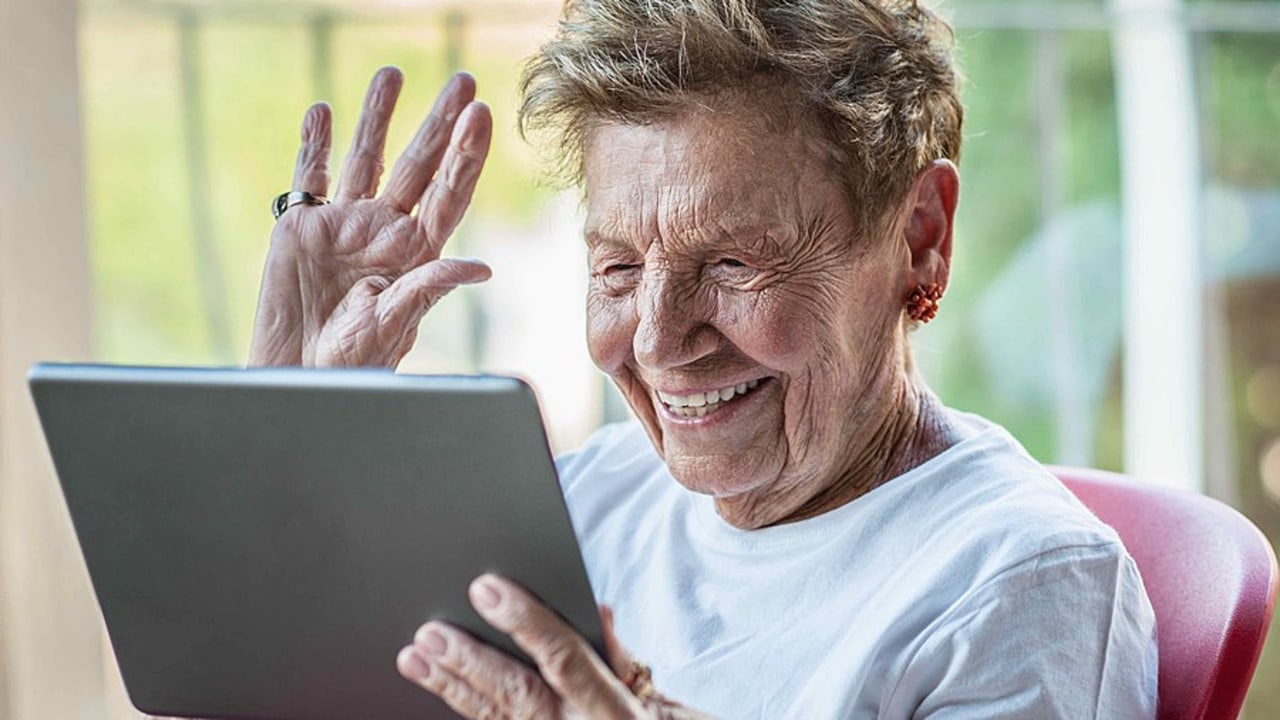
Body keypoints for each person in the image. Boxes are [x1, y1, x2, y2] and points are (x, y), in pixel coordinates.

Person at [250, 0, 1159, 717]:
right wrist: (285, 430)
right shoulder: (587, 502)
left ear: (919, 238)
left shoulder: (1025, 586)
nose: (655, 340)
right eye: (617, 267)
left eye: (733, 263)